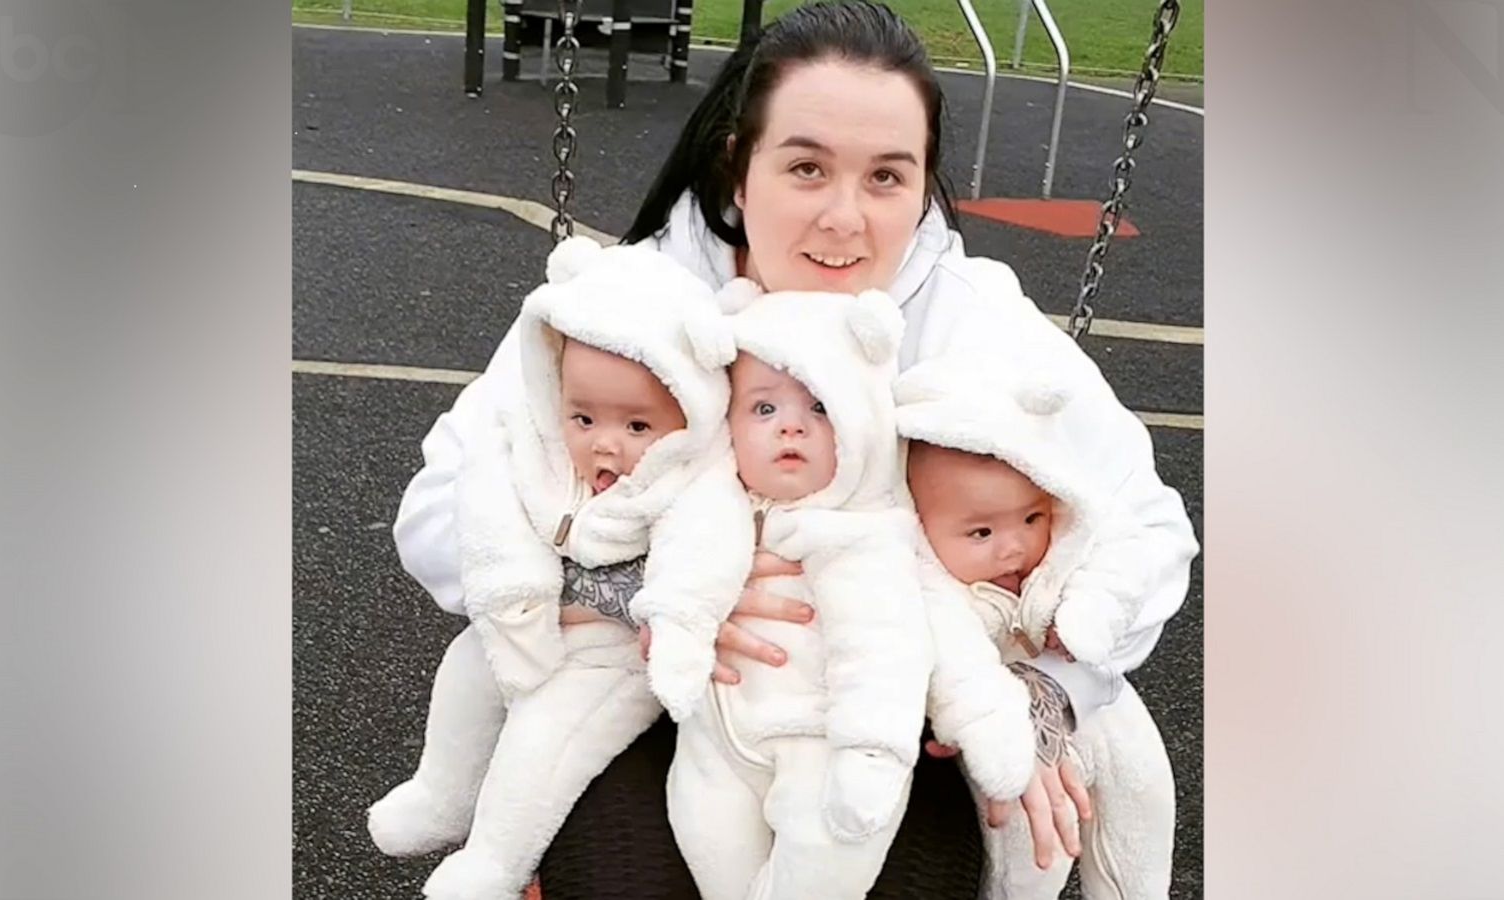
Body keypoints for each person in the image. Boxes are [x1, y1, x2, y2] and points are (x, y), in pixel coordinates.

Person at [393, 1, 1198, 893]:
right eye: (807, 167)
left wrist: (1046, 696)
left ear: (923, 185)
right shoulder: (630, 309)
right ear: (740, 167)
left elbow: (1152, 539)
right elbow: (436, 515)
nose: (845, 219)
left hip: (881, 694)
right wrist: (636, 594)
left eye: (887, 178)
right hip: (650, 676)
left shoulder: (976, 329)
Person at [369, 237, 753, 900]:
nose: (605, 441)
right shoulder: (537, 445)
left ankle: (494, 861)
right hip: (539, 614)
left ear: (690, 413)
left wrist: (678, 625)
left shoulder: (694, 477)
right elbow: (488, 512)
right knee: (467, 669)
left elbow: (705, 551)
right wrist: (512, 593)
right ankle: (443, 791)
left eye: (638, 425)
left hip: (619, 652)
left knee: (544, 740)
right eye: (584, 416)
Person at [666, 283, 930, 899]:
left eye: (820, 409)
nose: (792, 426)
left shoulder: (859, 534)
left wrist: (870, 750)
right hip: (712, 744)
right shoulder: (708, 503)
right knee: (713, 855)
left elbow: (885, 646)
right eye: (764, 410)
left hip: (823, 744)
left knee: (826, 859)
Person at [900, 341, 1185, 898]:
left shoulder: (1068, 536)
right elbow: (952, 663)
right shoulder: (931, 591)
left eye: (1030, 517)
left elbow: (1131, 550)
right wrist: (993, 724)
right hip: (997, 725)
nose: (1014, 548)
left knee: (1143, 792)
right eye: (980, 532)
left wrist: (1089, 620)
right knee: (1031, 842)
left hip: (1090, 699)